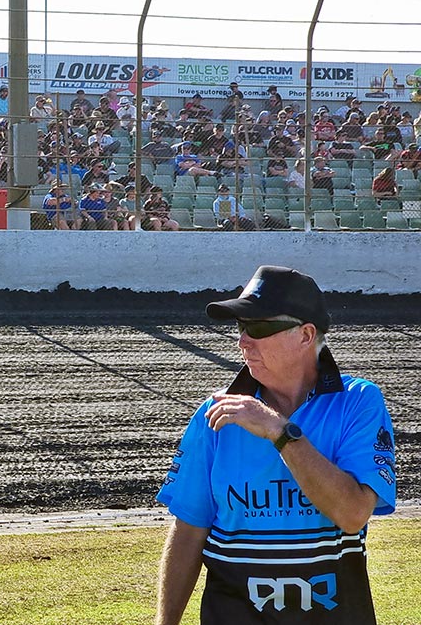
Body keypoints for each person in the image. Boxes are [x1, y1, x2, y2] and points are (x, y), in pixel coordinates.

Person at [155, 265, 396, 625]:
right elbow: (189, 529)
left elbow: (352, 514)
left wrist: (279, 430)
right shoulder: (216, 414)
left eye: (258, 327)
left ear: (305, 335)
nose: (242, 341)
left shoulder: (358, 402)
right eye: (240, 327)